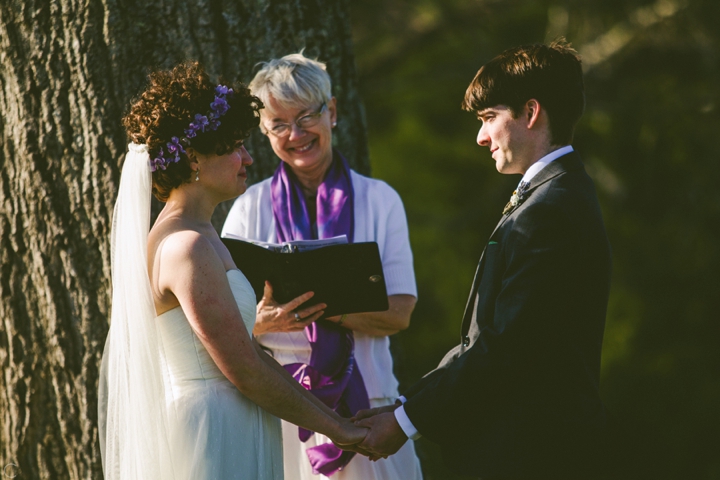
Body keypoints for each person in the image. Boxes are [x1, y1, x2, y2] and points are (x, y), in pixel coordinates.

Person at [349, 39, 612, 480]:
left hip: (534, 455)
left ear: (530, 113)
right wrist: (404, 408)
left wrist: (404, 423)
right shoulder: (555, 195)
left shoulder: (552, 208)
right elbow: (487, 340)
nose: (480, 136)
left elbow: (508, 346)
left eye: (490, 118)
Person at [98, 61, 367, 480]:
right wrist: (339, 431)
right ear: (193, 160)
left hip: (234, 420)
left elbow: (255, 359)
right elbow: (245, 369)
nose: (247, 157)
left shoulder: (202, 235)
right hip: (212, 431)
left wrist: (340, 424)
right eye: (233, 146)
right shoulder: (185, 246)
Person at [222, 53, 423, 480]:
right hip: (281, 421)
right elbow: (223, 329)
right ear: (264, 131)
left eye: (306, 116)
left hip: (372, 416)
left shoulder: (381, 200)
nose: (295, 134)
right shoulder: (246, 209)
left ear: (331, 112)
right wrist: (262, 322)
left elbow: (401, 312)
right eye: (278, 124)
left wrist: (318, 309)